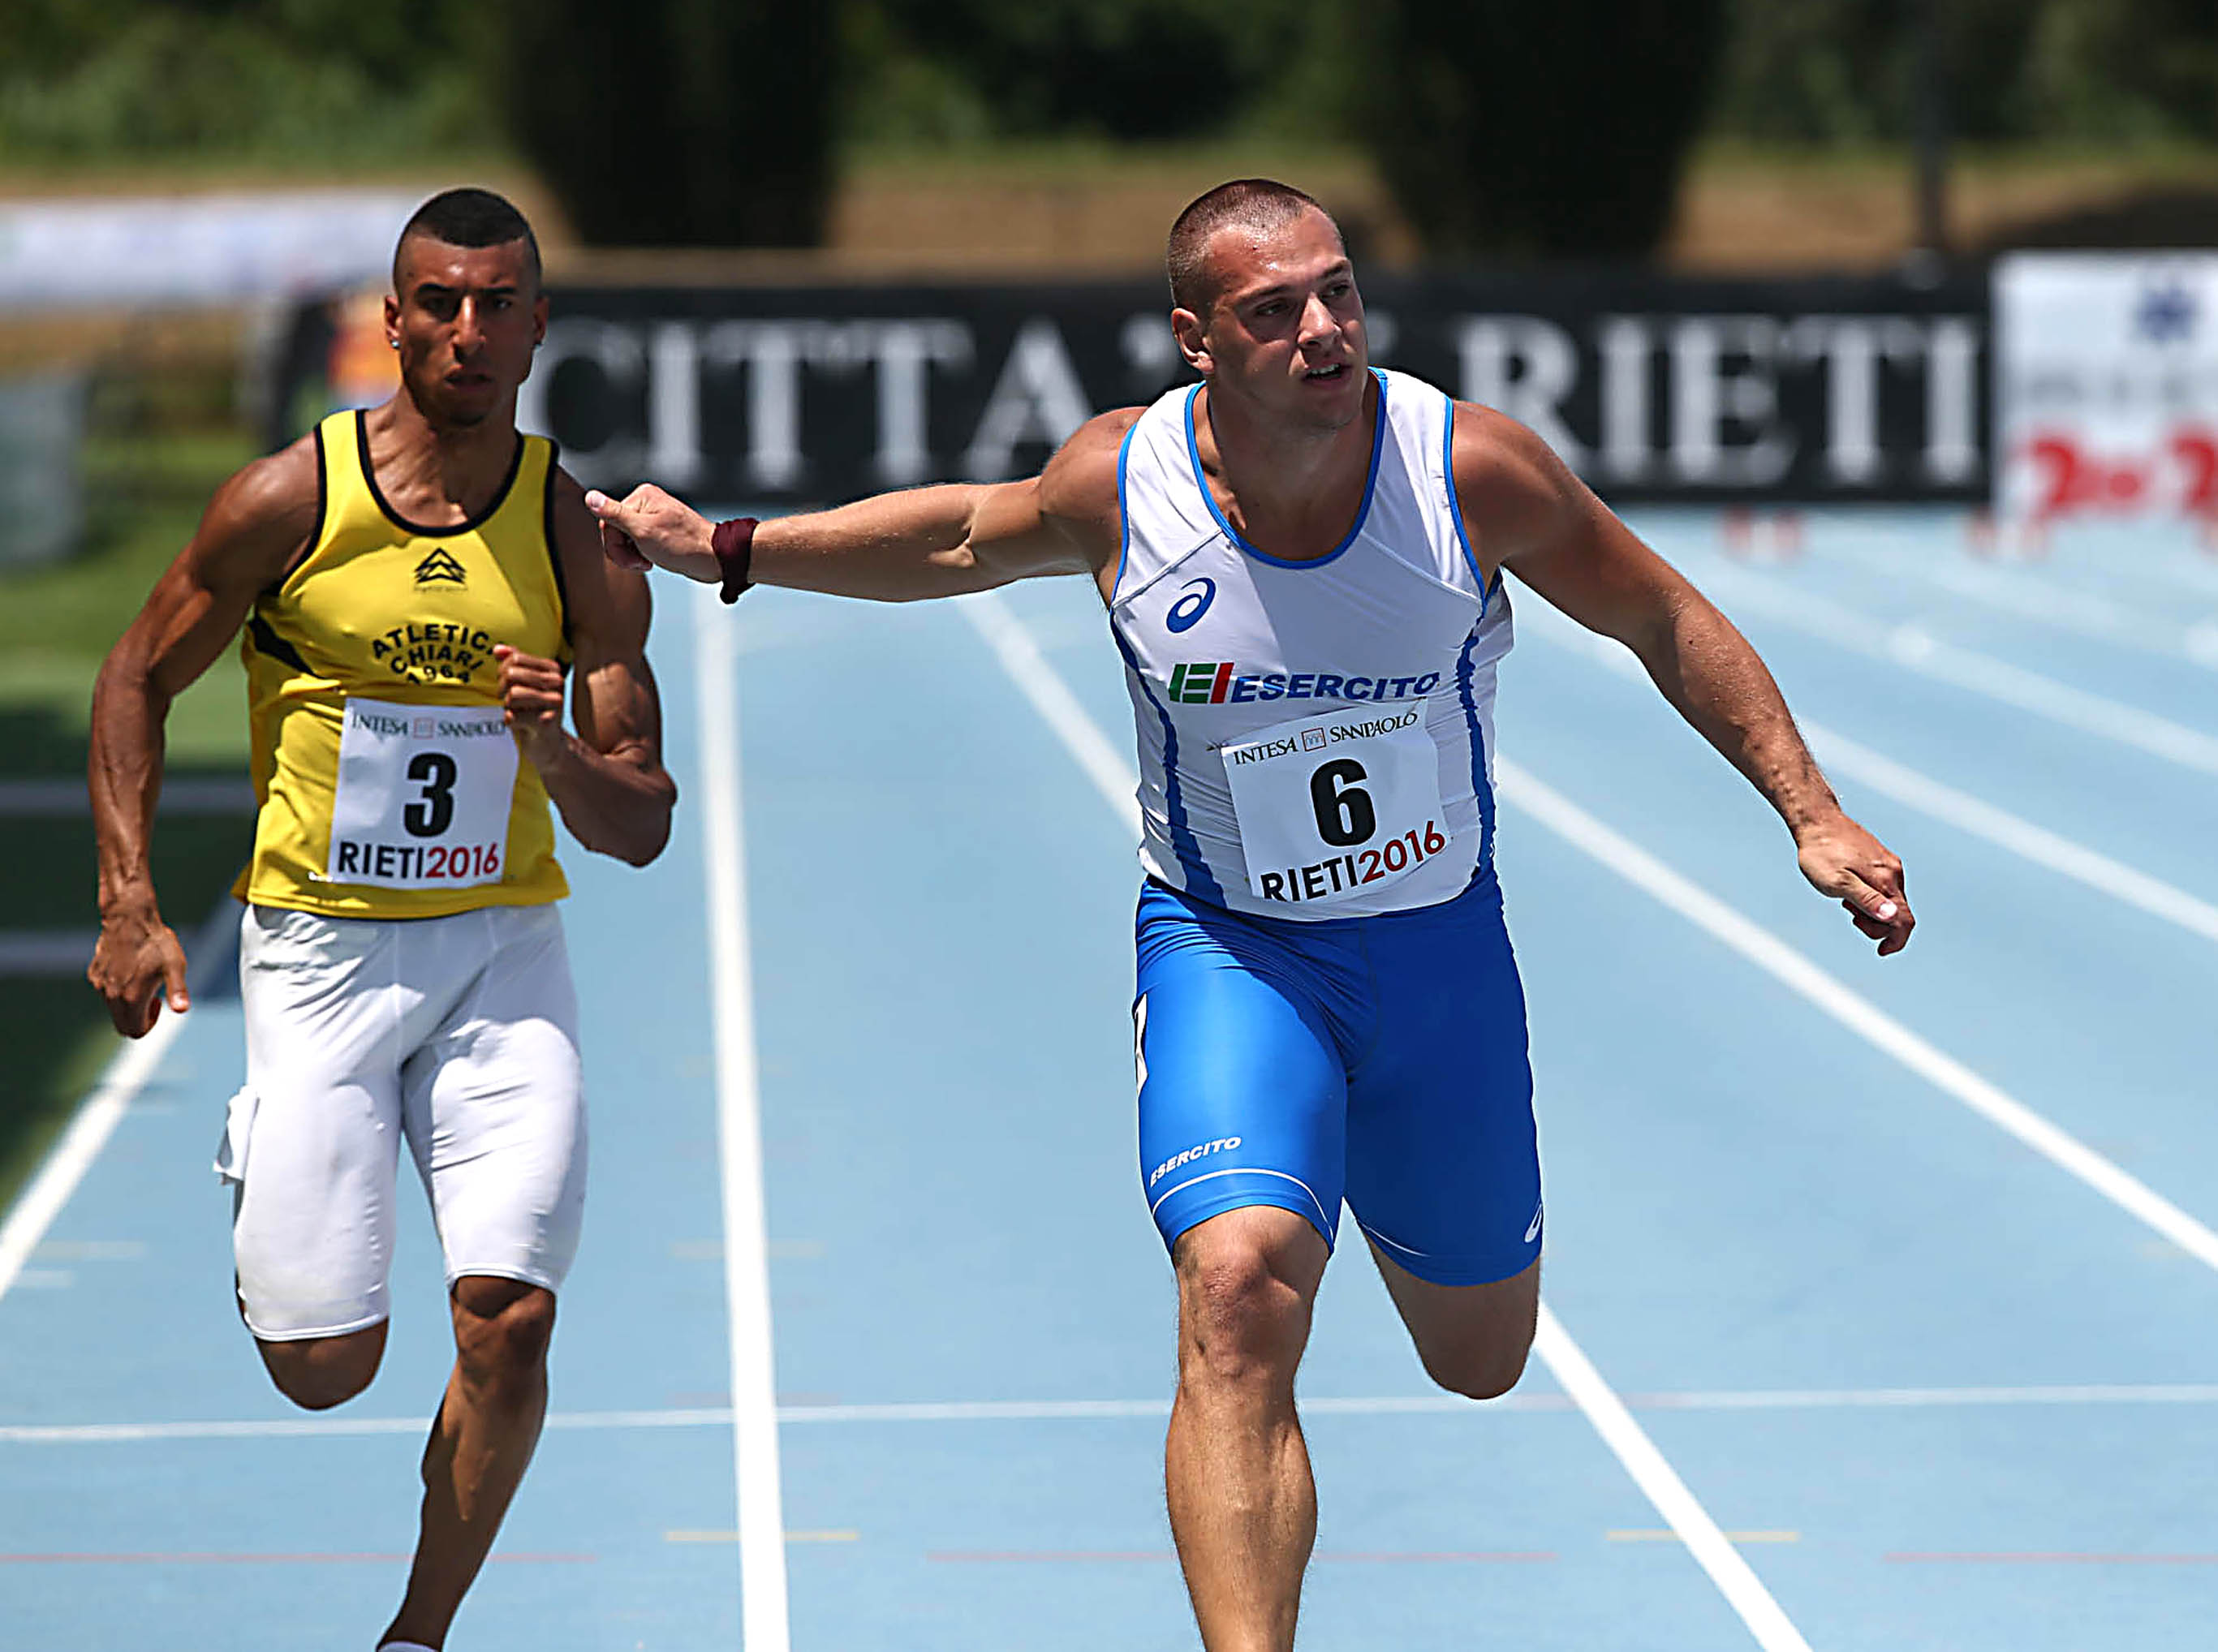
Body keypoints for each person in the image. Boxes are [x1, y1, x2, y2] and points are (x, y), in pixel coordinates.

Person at [588, 178, 1914, 1651]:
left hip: (1435, 957)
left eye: (1336, 291)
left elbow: (1659, 613)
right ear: (1195, 339)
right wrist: (733, 549)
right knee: (1234, 1292)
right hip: (1231, 951)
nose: (1322, 329)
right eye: (1274, 309)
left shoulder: (1467, 471)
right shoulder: (1124, 482)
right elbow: (963, 535)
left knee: (1479, 1355)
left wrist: (1809, 811)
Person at [87, 187, 676, 1652]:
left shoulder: (576, 537)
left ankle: (415, 1636)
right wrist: (129, 900)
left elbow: (641, 823)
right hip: (318, 953)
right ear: (394, 321)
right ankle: (272, 1156)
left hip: (501, 954)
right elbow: (137, 675)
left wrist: (551, 754)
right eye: (442, 303)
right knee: (324, 1367)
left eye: (499, 305)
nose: (469, 330)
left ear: (536, 328)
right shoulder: (287, 501)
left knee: (509, 1319)